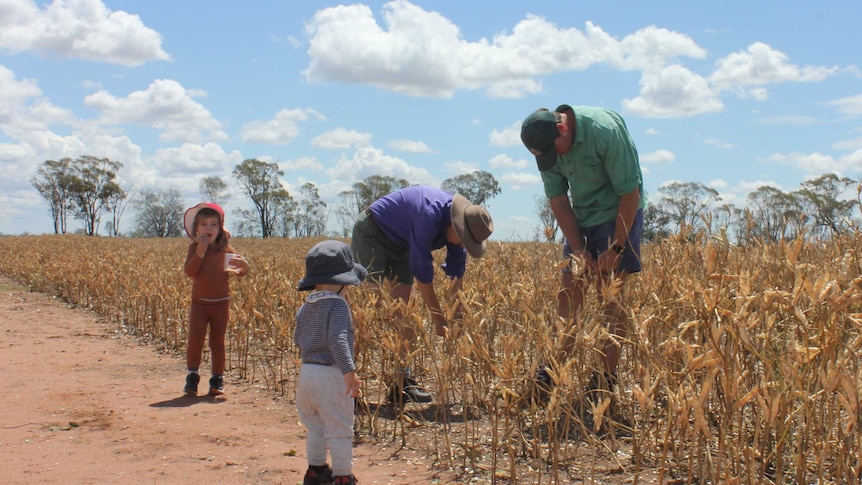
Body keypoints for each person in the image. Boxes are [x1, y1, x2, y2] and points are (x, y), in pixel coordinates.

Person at [520, 105, 645, 415]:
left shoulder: (604, 132)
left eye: (554, 152)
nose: (554, 160)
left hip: (619, 211)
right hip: (583, 216)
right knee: (568, 293)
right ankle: (548, 377)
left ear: (563, 129)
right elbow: (559, 200)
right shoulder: (547, 149)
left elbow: (630, 193)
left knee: (609, 299)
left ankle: (603, 383)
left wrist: (615, 249)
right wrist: (577, 247)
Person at [351, 185, 494, 404]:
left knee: (403, 313)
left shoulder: (459, 234)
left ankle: (402, 382)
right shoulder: (427, 215)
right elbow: (423, 275)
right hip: (373, 232)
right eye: (463, 240)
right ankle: (345, 382)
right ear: (456, 225)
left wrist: (457, 321)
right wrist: (438, 319)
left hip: (402, 243)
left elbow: (457, 281)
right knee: (371, 310)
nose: (461, 245)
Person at [294, 240, 367, 485]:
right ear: (339, 282)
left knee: (315, 426)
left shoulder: (306, 306)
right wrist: (349, 372)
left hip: (307, 374)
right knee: (340, 429)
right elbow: (338, 340)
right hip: (331, 375)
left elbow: (298, 339)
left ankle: (315, 471)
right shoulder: (337, 305)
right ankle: (343, 476)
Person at [182, 202, 249, 396]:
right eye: (204, 225)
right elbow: (190, 271)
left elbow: (239, 271)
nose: (208, 228)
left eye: (213, 224)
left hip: (221, 303)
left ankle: (217, 379)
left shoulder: (225, 248)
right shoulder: (194, 248)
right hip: (199, 304)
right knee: (195, 341)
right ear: (196, 229)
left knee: (217, 343)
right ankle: (192, 376)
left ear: (220, 229)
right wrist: (200, 253)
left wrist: (244, 265)